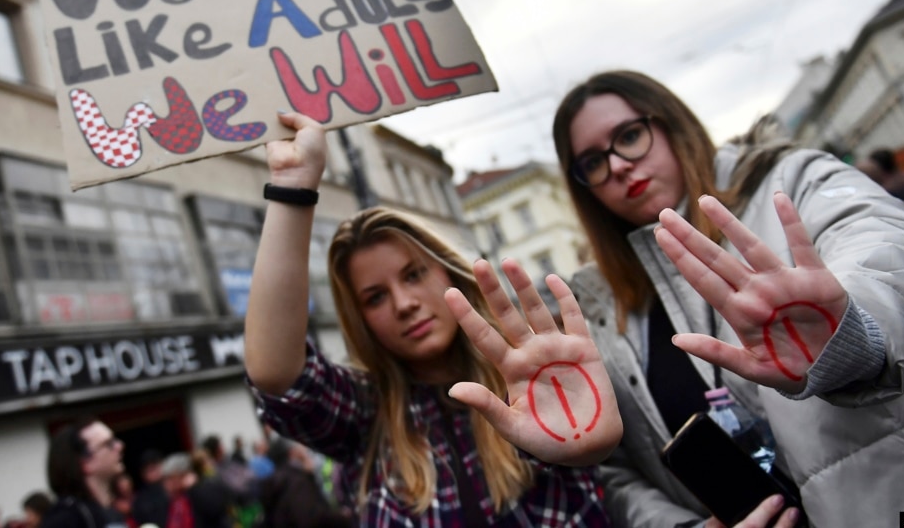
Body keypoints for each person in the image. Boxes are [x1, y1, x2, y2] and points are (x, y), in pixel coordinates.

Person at [553, 70, 904, 527]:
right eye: (592, 163)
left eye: (629, 135)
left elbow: (893, 247)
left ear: (670, 125)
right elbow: (622, 475)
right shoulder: (606, 312)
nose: (618, 164)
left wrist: (852, 331)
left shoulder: (789, 181)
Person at [244, 111, 622, 526]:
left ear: (448, 271)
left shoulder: (539, 378)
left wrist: (585, 438)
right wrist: (293, 186)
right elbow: (276, 373)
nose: (404, 303)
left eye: (413, 274)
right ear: (360, 320)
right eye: (374, 298)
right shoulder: (364, 413)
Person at [40, 416, 129, 528]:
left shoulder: (109, 513)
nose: (119, 446)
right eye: (108, 443)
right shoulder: (66, 520)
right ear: (85, 463)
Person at [258, 440, 350, 528]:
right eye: (302, 448)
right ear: (294, 453)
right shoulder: (297, 482)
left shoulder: (282, 480)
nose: (306, 452)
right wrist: (342, 518)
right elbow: (312, 519)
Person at [131, 449, 169, 528]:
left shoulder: (176, 488)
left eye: (156, 467)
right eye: (150, 470)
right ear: (143, 474)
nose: (155, 473)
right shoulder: (141, 501)